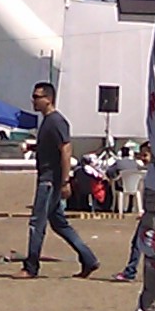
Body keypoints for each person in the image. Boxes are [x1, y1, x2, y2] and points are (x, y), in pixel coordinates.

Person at [23, 83, 98, 278]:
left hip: (50, 181)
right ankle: (89, 259)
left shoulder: (56, 121)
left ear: (48, 99)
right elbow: (51, 149)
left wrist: (64, 181)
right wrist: (33, 148)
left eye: (37, 96)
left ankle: (31, 267)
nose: (34, 100)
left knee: (37, 223)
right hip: (47, 178)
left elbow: (66, 150)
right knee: (59, 224)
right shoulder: (47, 122)